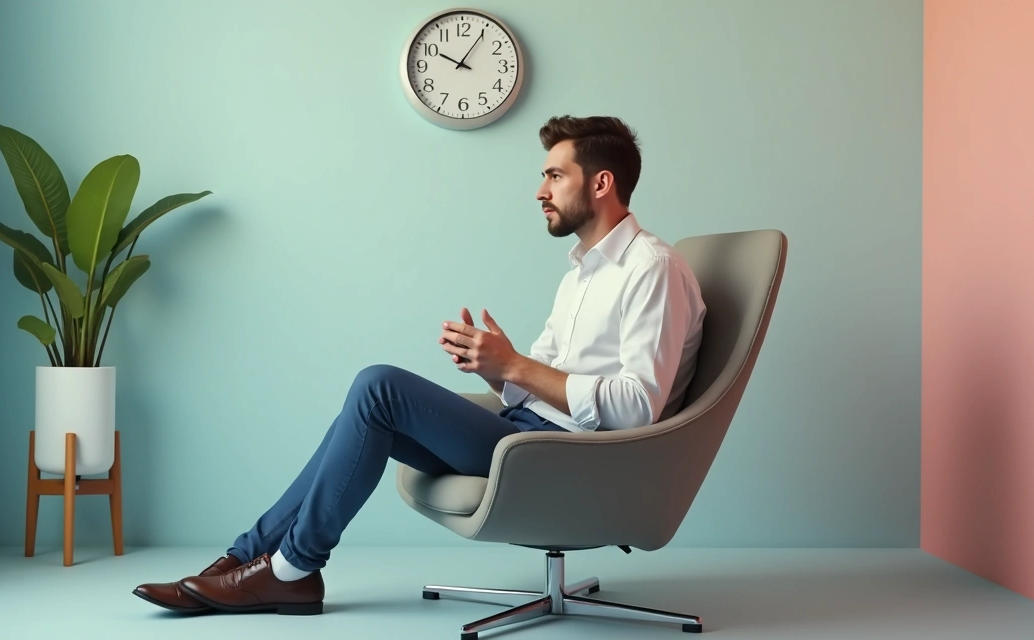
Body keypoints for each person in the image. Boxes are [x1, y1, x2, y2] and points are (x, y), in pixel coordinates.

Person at [132, 115, 707, 615]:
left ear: (601, 182)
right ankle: (242, 561)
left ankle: (289, 569)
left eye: (554, 175)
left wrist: (516, 365)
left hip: (573, 458)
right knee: (369, 411)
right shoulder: (582, 272)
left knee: (378, 386)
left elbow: (636, 408)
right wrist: (495, 368)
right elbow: (539, 384)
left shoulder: (651, 269)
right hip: (528, 433)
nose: (540, 190)